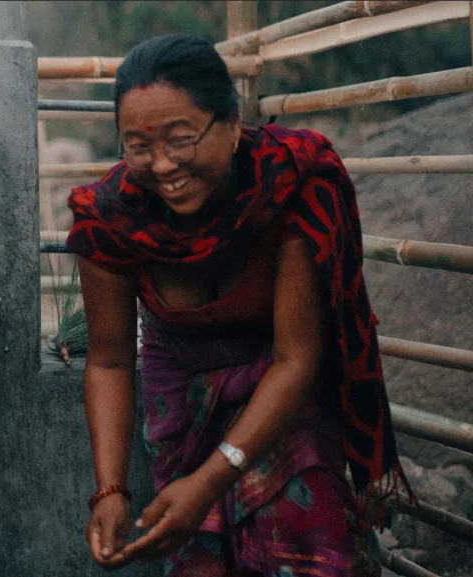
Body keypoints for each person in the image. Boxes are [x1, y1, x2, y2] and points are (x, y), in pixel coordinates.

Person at [67, 34, 411, 576]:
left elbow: (296, 358)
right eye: (138, 147)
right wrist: (109, 491)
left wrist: (209, 481)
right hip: (180, 391)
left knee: (308, 530)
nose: (163, 165)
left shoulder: (290, 185)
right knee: (198, 557)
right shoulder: (110, 218)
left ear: (231, 125)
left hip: (284, 388)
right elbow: (109, 361)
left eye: (181, 140)